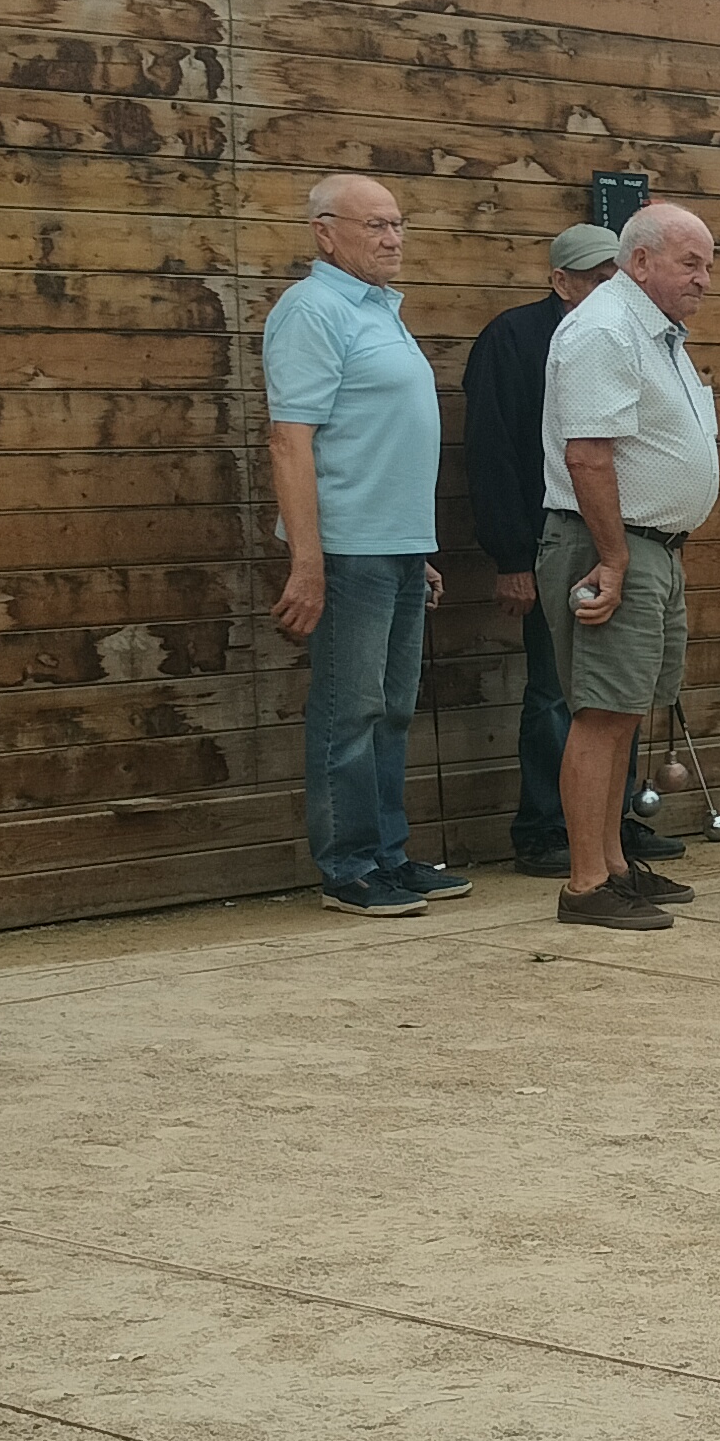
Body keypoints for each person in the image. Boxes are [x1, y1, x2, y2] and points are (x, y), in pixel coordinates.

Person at [266, 171, 457, 918]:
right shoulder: (313, 309)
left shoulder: (379, 310)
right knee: (349, 711)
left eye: (398, 224)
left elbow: (382, 438)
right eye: (374, 225)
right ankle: (347, 868)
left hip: (398, 548)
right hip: (347, 551)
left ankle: (387, 854)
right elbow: (290, 441)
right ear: (324, 232)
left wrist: (417, 547)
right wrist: (308, 564)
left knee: (392, 709)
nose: (391, 238)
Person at [539, 203, 720, 934]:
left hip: (651, 547)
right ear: (640, 262)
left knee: (624, 715)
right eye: (691, 263)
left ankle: (614, 865)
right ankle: (585, 884)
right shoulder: (606, 329)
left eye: (708, 265)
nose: (704, 280)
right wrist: (613, 559)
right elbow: (588, 454)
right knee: (602, 711)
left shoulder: (654, 334)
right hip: (612, 546)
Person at [463, 221, 620, 876]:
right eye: (596, 277)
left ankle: (611, 829)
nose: (611, 288)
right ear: (560, 281)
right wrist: (511, 557)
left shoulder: (626, 336)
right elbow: (492, 452)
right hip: (548, 540)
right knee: (555, 692)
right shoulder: (512, 338)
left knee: (616, 689)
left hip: (617, 538)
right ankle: (544, 829)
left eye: (617, 275)